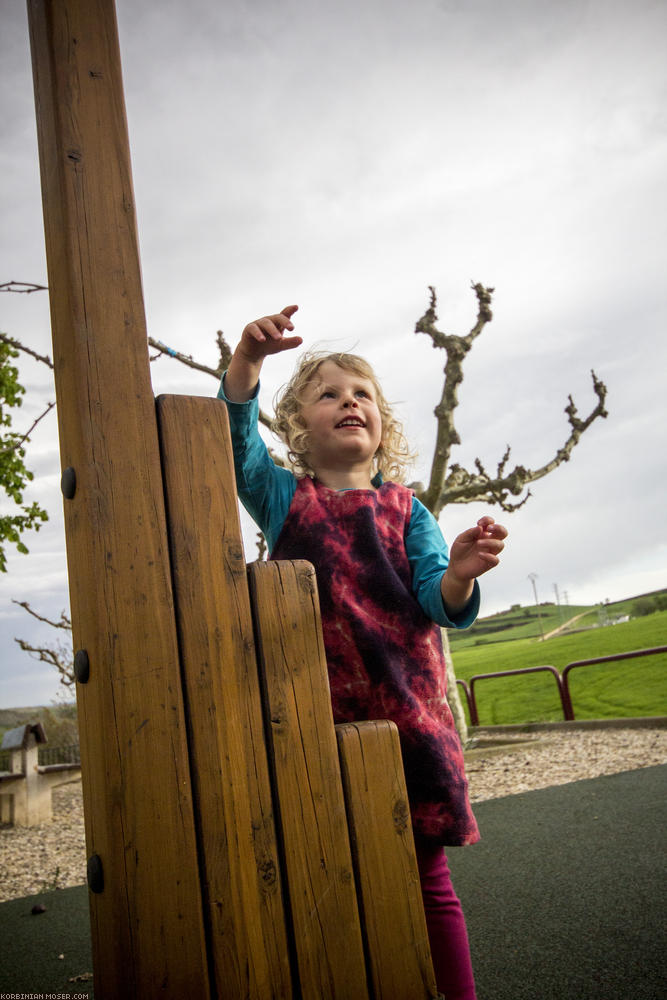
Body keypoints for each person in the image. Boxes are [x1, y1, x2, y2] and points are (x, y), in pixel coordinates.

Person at [218, 304, 507, 1000]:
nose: (349, 401)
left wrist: (462, 573)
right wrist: (247, 365)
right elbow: (235, 449)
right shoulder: (285, 498)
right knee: (327, 868)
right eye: (328, 393)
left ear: (381, 426)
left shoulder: (409, 510)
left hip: (411, 719)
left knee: (425, 876)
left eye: (362, 394)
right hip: (315, 721)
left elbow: (438, 599)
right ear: (297, 428)